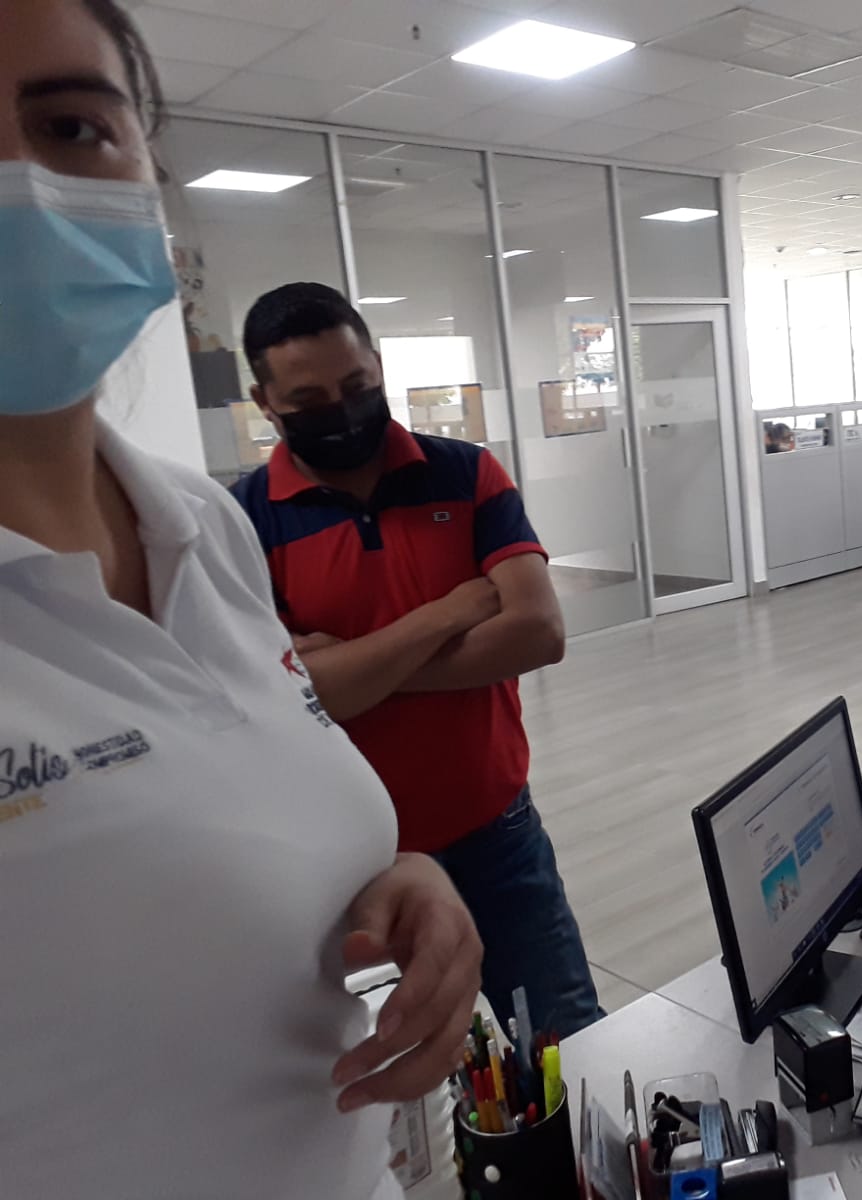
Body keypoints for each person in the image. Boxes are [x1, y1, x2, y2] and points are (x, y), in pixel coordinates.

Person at [0, 3, 482, 1195]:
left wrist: (394, 882)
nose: (22, 190)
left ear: (149, 183)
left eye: (71, 127)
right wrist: (451, 616)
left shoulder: (201, 526)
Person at [231, 282, 603, 1038]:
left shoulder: (467, 474)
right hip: (356, 866)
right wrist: (449, 612)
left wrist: (354, 672)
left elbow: (539, 633)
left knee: (568, 1040)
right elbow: (293, 696)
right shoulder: (242, 523)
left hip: (499, 833)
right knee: (417, 1072)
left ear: (378, 365)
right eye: (309, 399)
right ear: (264, 402)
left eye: (356, 385)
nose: (342, 410)